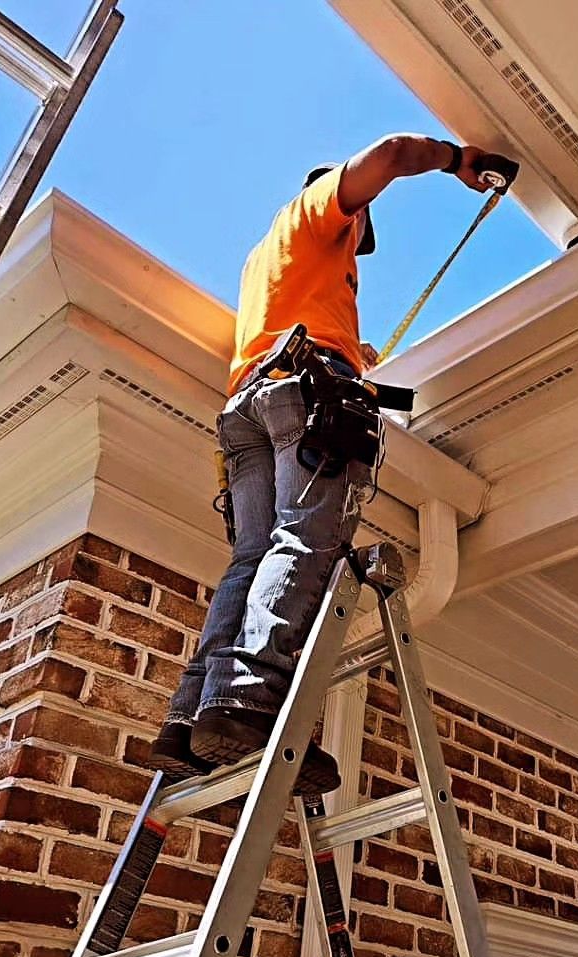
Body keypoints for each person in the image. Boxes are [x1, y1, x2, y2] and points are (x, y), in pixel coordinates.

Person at [148, 134, 492, 792]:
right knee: (306, 541)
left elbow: (297, 319)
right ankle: (246, 701)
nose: (356, 244)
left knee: (254, 558)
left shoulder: (266, 260)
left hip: (250, 406)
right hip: (299, 395)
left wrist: (349, 352)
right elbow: (390, 154)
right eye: (357, 230)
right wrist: (457, 160)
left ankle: (189, 719)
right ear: (346, 208)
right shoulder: (317, 213)